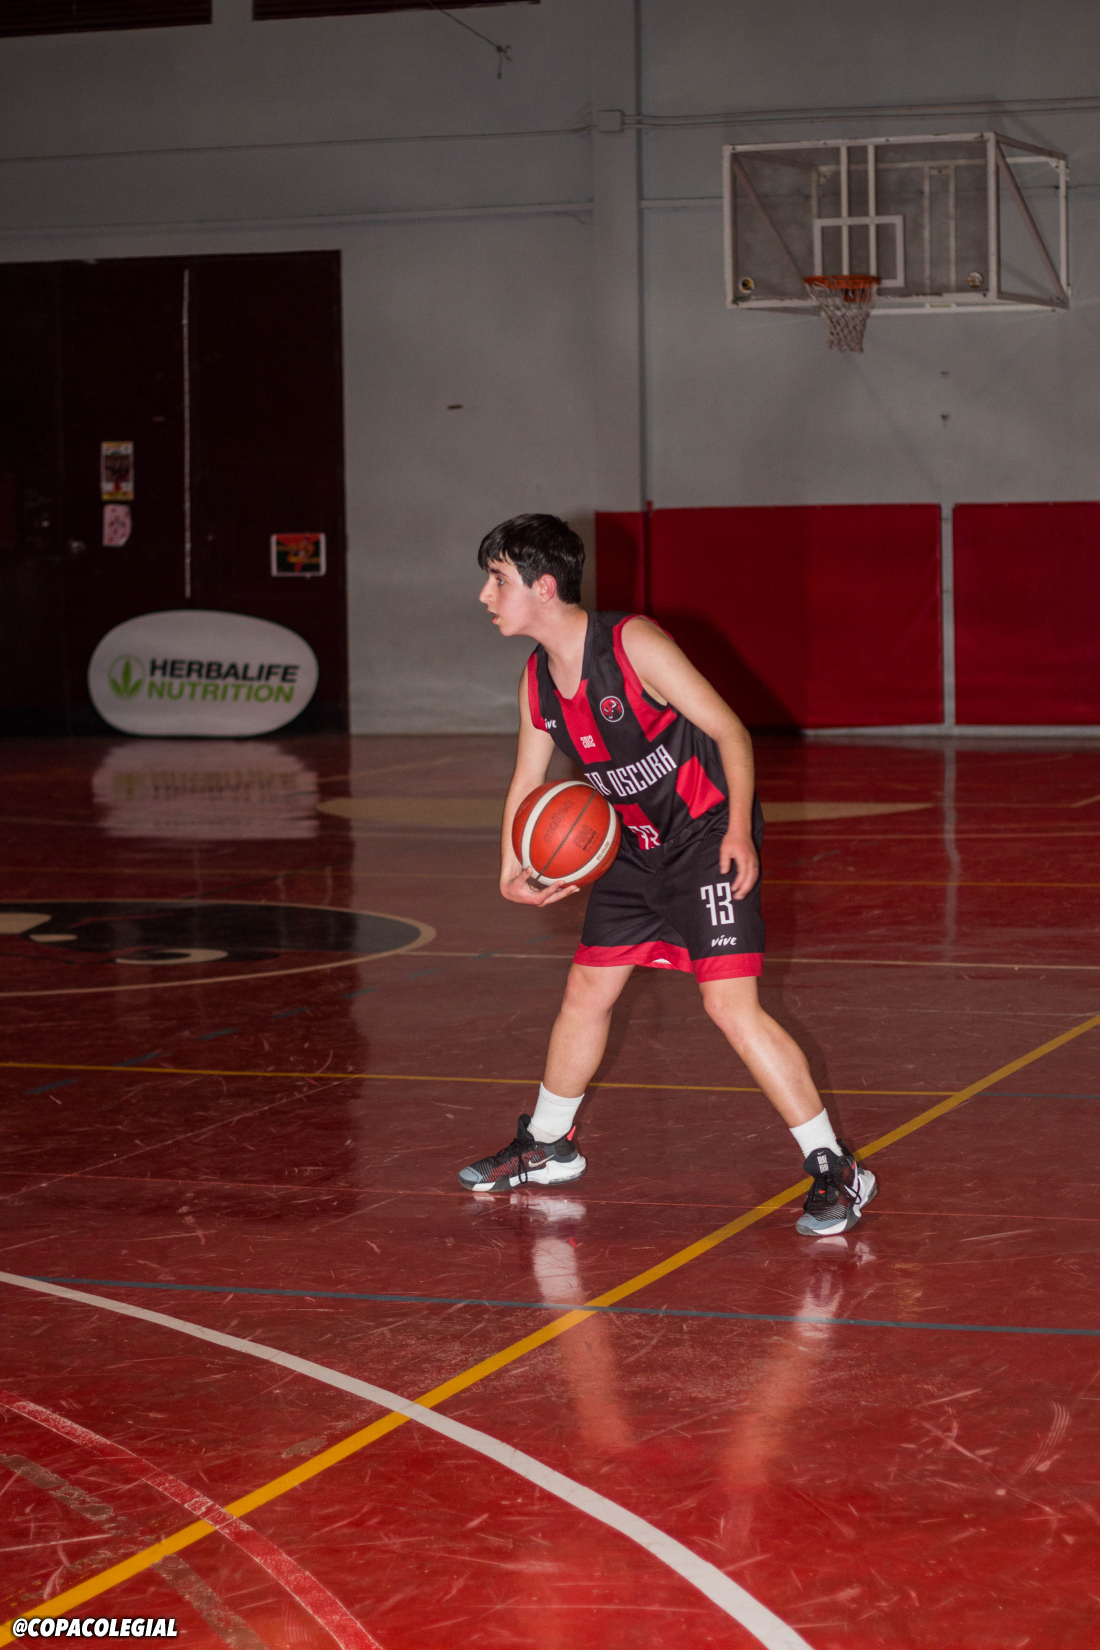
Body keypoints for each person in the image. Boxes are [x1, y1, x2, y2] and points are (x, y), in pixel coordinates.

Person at [457, 514, 876, 1238]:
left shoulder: (633, 645)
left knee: (729, 1006)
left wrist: (739, 829)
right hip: (631, 848)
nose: (485, 595)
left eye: (498, 580)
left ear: (544, 586)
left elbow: (729, 730)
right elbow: (527, 780)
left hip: (705, 838)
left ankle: (836, 1165)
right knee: (586, 991)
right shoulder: (536, 680)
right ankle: (550, 1144)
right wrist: (510, 867)